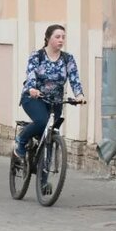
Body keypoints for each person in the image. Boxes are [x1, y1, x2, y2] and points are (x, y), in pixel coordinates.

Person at [13, 24, 86, 160]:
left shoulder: (67, 58)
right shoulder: (37, 56)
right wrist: (32, 88)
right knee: (42, 121)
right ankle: (21, 140)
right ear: (48, 38)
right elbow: (31, 74)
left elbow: (74, 78)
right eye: (57, 37)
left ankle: (43, 180)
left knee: (50, 136)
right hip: (34, 98)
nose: (61, 40)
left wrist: (79, 95)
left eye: (63, 37)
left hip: (55, 101)